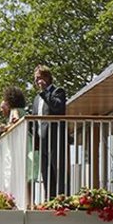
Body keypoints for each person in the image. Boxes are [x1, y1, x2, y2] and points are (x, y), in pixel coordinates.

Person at [30, 64, 69, 199]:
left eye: (39, 78)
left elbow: (58, 107)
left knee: (58, 170)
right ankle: (50, 200)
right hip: (42, 141)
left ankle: (63, 199)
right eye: (35, 79)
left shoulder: (58, 91)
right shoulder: (36, 99)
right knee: (46, 172)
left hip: (56, 139)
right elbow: (34, 121)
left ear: (47, 77)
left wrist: (45, 92)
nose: (37, 82)